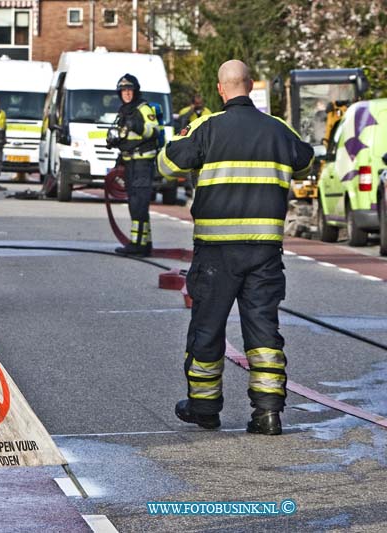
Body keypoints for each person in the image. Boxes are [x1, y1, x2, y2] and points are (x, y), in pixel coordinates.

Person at [157, 60, 314, 436]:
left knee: (207, 329)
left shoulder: (206, 127)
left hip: (216, 252)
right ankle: (268, 413)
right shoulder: (279, 129)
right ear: (249, 85)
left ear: (221, 89)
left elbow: (166, 165)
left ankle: (204, 408)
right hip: (264, 252)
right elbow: (306, 161)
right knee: (263, 331)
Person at [107, 74, 160, 256]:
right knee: (135, 204)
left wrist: (137, 125)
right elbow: (124, 135)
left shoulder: (143, 108)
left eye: (129, 90)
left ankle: (137, 244)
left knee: (139, 205)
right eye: (123, 91)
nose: (127, 94)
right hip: (129, 163)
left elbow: (154, 130)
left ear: (135, 91)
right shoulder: (124, 111)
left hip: (142, 163)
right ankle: (145, 242)